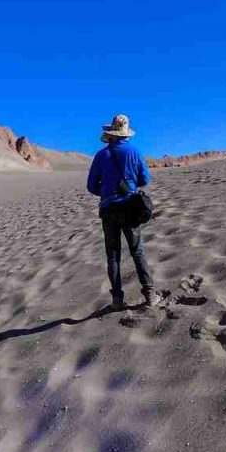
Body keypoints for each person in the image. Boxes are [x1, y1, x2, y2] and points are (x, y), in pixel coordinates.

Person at [86, 114, 156, 310]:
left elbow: (91, 185)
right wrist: (128, 187)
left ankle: (117, 300)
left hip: (108, 210)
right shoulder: (135, 152)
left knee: (113, 256)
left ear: (111, 134)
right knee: (137, 251)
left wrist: (107, 192)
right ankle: (150, 294)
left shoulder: (101, 156)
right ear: (125, 133)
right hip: (129, 208)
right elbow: (144, 180)